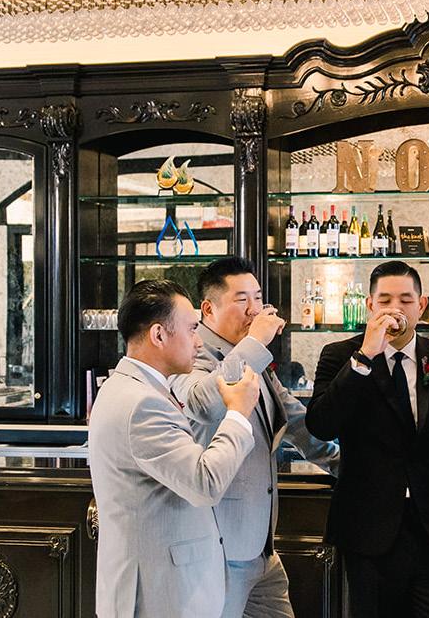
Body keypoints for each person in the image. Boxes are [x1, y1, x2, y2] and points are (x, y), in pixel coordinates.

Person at [306, 261, 429, 618]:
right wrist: (365, 357)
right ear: (370, 305)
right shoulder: (341, 356)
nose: (395, 309)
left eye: (405, 299)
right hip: (369, 532)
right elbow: (321, 425)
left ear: (421, 305)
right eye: (385, 300)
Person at [170, 257, 340, 618]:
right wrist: (255, 342)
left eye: (258, 298)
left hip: (261, 547)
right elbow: (204, 404)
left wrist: (347, 464)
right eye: (242, 299)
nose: (254, 309)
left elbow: (295, 421)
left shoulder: (252, 356)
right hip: (217, 547)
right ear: (208, 309)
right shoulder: (193, 354)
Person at [89, 279, 261, 618]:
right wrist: (238, 413)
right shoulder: (141, 403)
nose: (199, 341)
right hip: (160, 593)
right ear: (158, 335)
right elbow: (204, 483)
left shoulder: (131, 387)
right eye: (192, 329)